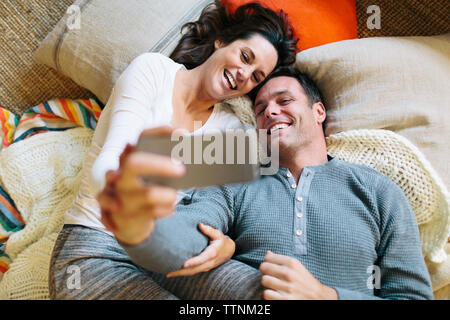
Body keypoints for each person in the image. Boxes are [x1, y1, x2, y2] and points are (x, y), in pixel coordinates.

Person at [100, 66, 434, 300]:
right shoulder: (237, 178)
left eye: (284, 101)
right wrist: (143, 219)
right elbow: (193, 230)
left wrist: (325, 296)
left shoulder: (379, 192)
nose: (270, 112)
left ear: (318, 112)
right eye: (260, 109)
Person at [48, 1, 297, 300]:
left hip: (170, 252)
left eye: (256, 76)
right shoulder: (154, 71)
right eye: (245, 56)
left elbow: (221, 205)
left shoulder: (231, 129)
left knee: (267, 294)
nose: (245, 74)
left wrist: (228, 245)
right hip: (94, 249)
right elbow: (109, 162)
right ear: (221, 41)